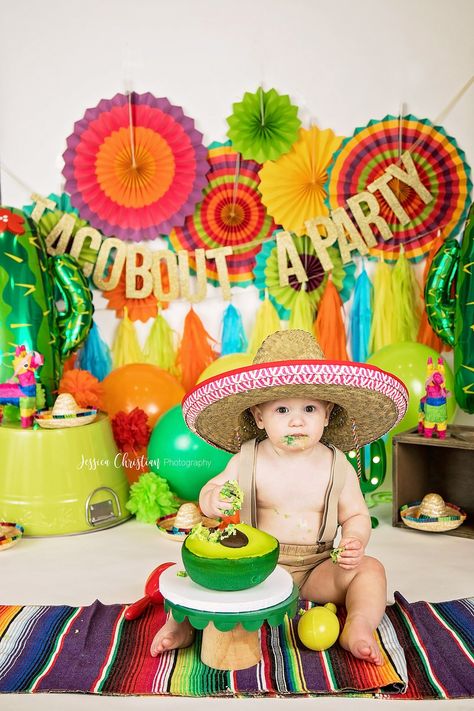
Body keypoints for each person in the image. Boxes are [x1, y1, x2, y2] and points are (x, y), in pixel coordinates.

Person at [151, 330, 408, 665]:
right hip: (253, 568)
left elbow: (356, 515)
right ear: (260, 416)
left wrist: (355, 540)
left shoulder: (336, 464)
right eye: (283, 409)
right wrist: (214, 501)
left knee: (371, 571)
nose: (297, 420)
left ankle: (358, 626)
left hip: (317, 568)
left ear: (327, 414)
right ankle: (182, 625)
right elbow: (209, 492)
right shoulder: (248, 458)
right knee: (192, 572)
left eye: (310, 408)